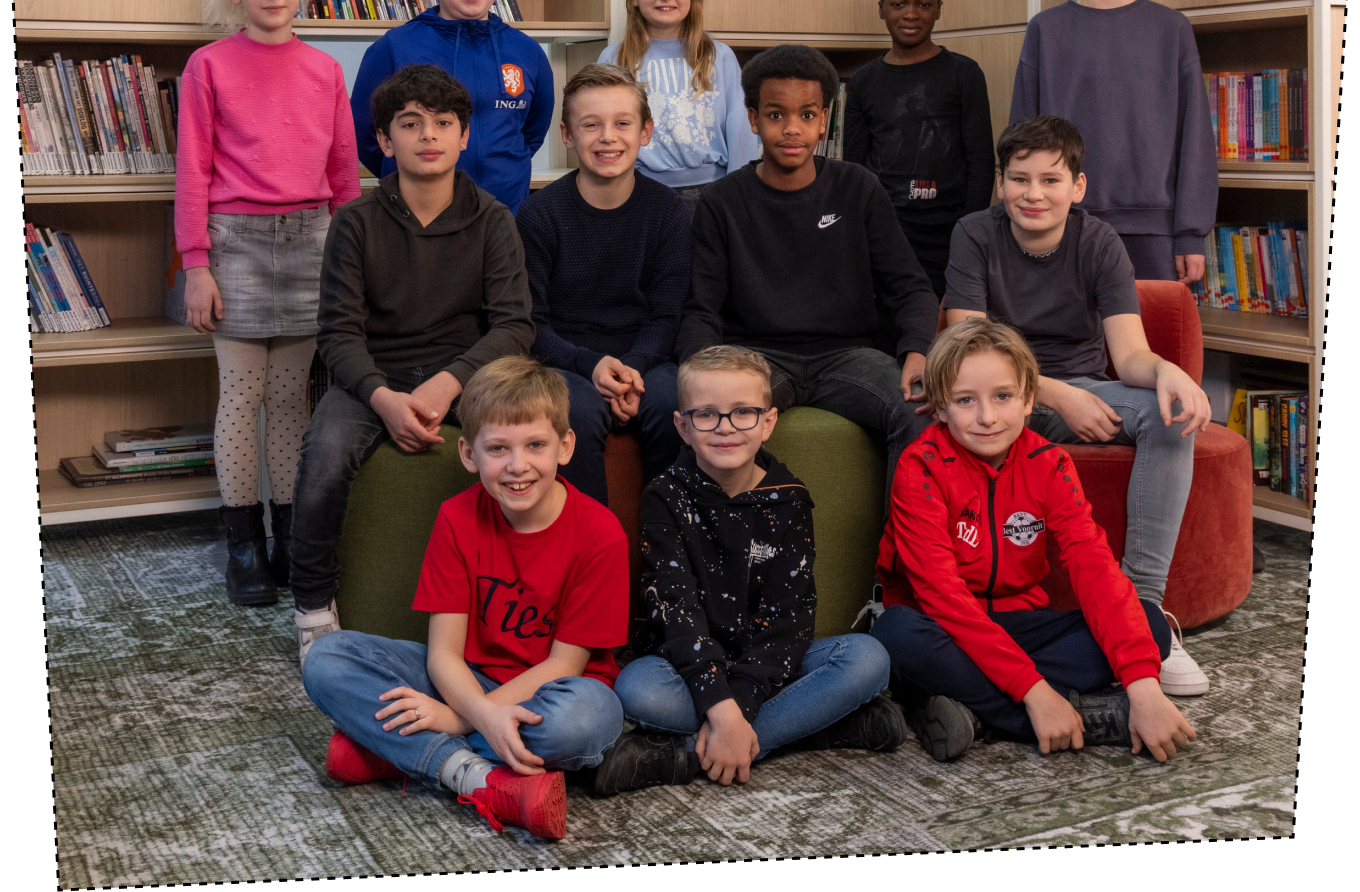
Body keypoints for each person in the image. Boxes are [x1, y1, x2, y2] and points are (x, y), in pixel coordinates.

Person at [302, 357, 630, 840]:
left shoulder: (601, 534)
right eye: (497, 448)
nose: (517, 466)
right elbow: (443, 655)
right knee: (327, 658)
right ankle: (472, 776)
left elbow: (565, 665)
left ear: (564, 446)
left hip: (555, 693)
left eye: (535, 445)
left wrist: (456, 719)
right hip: (466, 680)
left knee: (586, 722)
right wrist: (480, 712)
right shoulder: (457, 518)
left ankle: (393, 752)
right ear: (468, 453)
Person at [942, 114, 1214, 696]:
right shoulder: (974, 233)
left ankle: (1142, 613)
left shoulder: (1098, 241)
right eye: (1020, 179)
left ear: (1078, 186)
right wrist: (1059, 395)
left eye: (1050, 180)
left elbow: (1130, 354)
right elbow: (967, 348)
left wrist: (1167, 371)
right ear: (1000, 182)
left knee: (1168, 419)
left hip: (1087, 388)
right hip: (999, 396)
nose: (1033, 194)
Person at [288, 64, 534, 661]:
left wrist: (450, 384)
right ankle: (313, 606)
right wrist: (382, 398)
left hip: (466, 377)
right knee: (323, 455)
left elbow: (513, 326)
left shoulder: (493, 219)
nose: (429, 135)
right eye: (410, 123)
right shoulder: (355, 222)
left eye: (444, 123)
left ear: (464, 136)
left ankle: (531, 597)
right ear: (384, 139)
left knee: (533, 445)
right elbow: (337, 333)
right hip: (376, 379)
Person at [870, 318, 1198, 764]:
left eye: (1003, 397)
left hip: (1023, 627)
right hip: (944, 628)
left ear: (1029, 400)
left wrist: (1144, 689)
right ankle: (1079, 717)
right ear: (941, 409)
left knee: (1148, 623)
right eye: (965, 400)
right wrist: (1036, 692)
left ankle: (977, 714)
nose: (987, 417)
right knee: (895, 634)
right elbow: (942, 596)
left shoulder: (1050, 464)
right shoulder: (920, 468)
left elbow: (1095, 568)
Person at [596, 346, 904, 794]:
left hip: (771, 665)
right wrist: (721, 706)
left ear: (768, 422)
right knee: (637, 689)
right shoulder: (665, 496)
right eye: (706, 414)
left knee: (868, 659)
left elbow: (788, 621)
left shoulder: (789, 500)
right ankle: (820, 727)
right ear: (682, 426)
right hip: (689, 666)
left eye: (743, 412)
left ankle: (685, 755)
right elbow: (675, 610)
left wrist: (735, 710)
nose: (725, 427)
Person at [177, 0, 360, 607]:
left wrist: (348, 258)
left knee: (289, 400)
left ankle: (288, 540)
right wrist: (197, 264)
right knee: (241, 396)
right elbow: (192, 170)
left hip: (313, 241)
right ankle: (243, 548)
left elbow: (344, 174)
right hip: (234, 243)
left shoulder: (324, 70)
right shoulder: (209, 66)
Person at [677, 44, 939, 500]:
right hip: (755, 358)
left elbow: (910, 286)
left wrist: (918, 350)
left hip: (848, 356)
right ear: (754, 119)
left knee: (919, 411)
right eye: (776, 115)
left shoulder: (858, 187)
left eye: (807, 114)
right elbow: (702, 307)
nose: (792, 128)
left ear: (824, 120)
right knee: (716, 419)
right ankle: (717, 544)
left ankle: (904, 548)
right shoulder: (721, 202)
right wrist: (703, 373)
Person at [1009, 0, 1217, 284]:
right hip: (1060, 223)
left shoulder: (1171, 28)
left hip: (1153, 231)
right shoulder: (1045, 30)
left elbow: (1195, 139)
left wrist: (1190, 232)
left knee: (1151, 327)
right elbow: (1020, 139)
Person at [515, 64, 688, 505]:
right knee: (578, 410)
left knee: (676, 402)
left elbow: (667, 314)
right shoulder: (538, 215)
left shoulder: (669, 211)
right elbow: (532, 322)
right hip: (565, 360)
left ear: (645, 131)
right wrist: (590, 365)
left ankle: (668, 540)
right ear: (567, 135)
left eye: (622, 123)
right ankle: (592, 542)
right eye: (591, 125)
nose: (608, 137)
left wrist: (633, 370)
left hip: (647, 358)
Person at [350, 0, 553, 214]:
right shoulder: (393, 48)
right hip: (416, 218)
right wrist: (405, 177)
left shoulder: (527, 52)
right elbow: (366, 134)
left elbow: (532, 133)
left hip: (505, 215)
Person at [843, 0, 995, 299]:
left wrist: (969, 231)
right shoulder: (864, 81)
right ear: (881, 8)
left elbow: (981, 161)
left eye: (923, 4)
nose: (911, 13)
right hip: (885, 230)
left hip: (950, 231)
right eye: (898, 4)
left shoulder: (964, 73)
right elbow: (854, 166)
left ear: (939, 8)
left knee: (947, 321)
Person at [598, 0, 759, 214]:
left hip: (714, 193)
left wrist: (739, 193)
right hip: (638, 192)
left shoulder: (719, 57)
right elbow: (606, 130)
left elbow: (741, 129)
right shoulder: (613, 59)